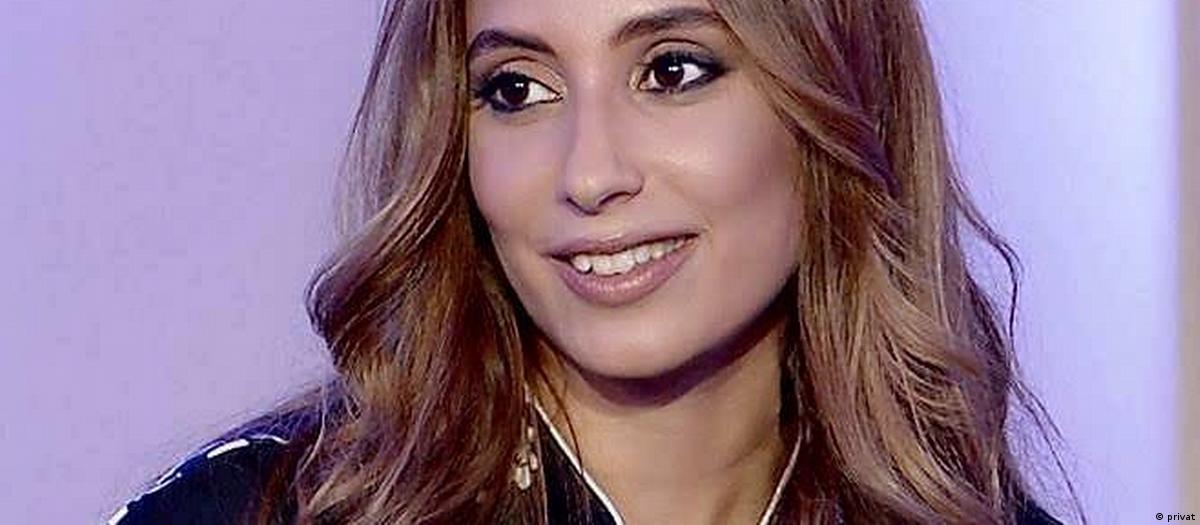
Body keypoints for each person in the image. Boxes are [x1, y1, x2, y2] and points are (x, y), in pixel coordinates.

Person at [108, 0, 1080, 523]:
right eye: (517, 89)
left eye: (672, 70)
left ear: (837, 95)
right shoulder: (254, 515)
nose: (589, 174)